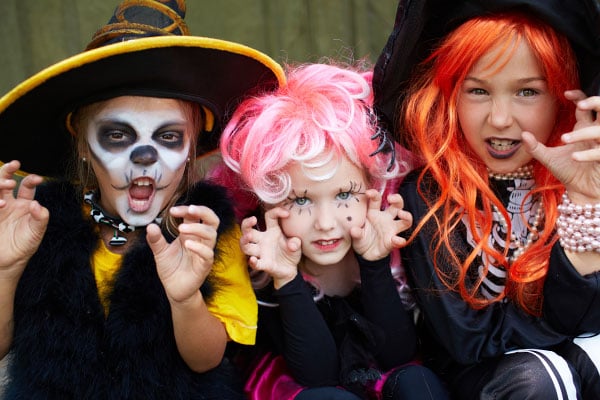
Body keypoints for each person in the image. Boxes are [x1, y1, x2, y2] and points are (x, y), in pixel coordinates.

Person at [0, 0, 285, 398]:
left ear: (190, 149)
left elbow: (206, 359)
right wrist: (7, 269)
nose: (144, 158)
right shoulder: (38, 223)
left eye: (168, 137)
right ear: (82, 145)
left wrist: (185, 297)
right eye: (118, 135)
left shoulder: (207, 232)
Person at [372, 0, 600, 398]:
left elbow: (588, 321)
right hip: (475, 382)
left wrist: (583, 199)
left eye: (527, 91)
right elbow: (469, 340)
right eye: (478, 90)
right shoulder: (427, 195)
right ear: (450, 95)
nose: (499, 118)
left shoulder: (584, 182)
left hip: (570, 367)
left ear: (565, 98)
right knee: (542, 373)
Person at [218, 62, 449, 400]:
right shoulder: (265, 263)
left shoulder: (381, 238)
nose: (325, 223)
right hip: (303, 384)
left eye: (343, 195)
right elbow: (317, 374)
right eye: (300, 201)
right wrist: (285, 278)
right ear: (267, 204)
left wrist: (374, 264)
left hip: (379, 378)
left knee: (418, 382)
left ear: (373, 190)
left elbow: (397, 354)